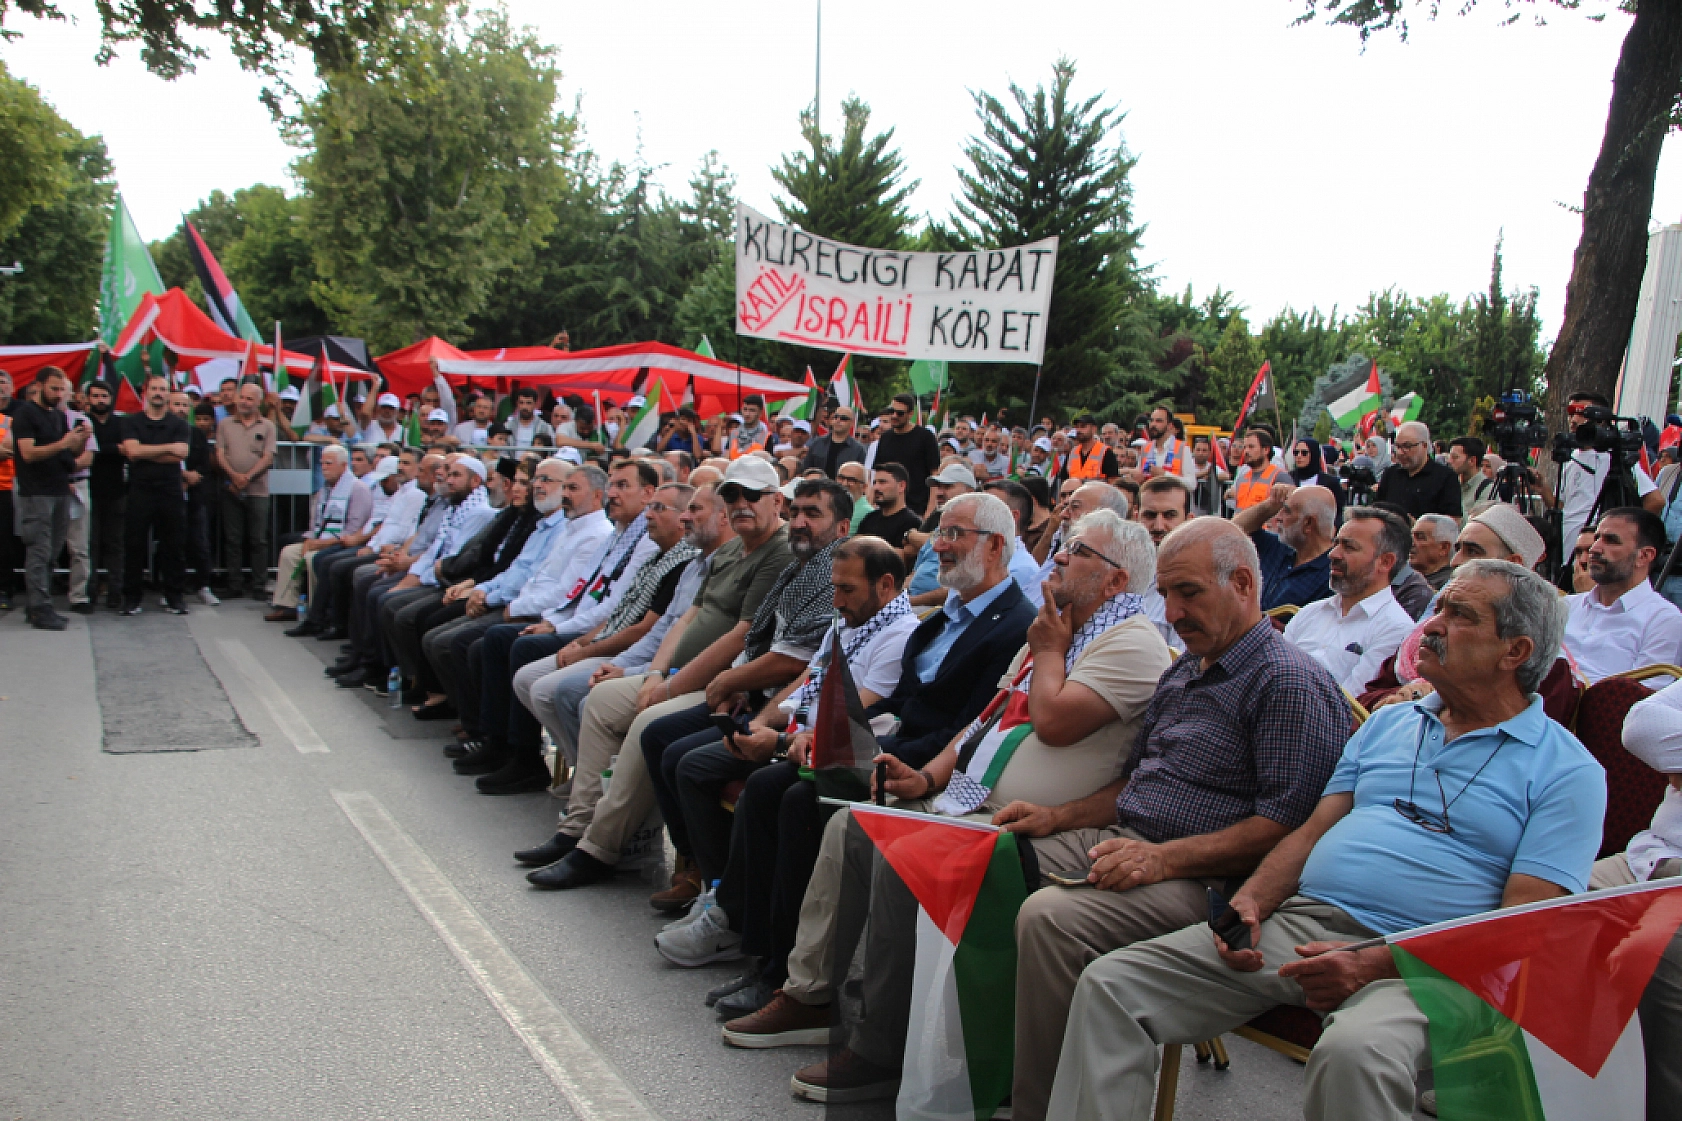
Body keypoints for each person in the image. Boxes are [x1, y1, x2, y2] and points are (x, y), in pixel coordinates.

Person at [1047, 560, 1604, 1121]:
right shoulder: (1392, 724)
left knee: (1356, 1053)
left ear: (1516, 652)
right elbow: (1315, 828)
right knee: (1110, 986)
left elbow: (1519, 929)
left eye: (1459, 615)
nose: (1431, 625)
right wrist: (1253, 901)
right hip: (1306, 922)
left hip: (1431, 962)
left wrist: (1375, 964)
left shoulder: (1567, 771)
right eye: (1438, 607)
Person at [716, 493, 1039, 1048]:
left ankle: (799, 986)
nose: (939, 545)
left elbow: (970, 727)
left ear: (995, 546)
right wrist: (832, 739)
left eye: (955, 534)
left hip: (928, 766)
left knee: (797, 800)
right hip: (895, 746)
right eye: (939, 531)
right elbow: (901, 702)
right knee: (771, 785)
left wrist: (875, 754)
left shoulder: (1015, 626)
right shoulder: (944, 617)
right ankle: (767, 954)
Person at [524, 455, 795, 889]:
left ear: (777, 500)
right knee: (600, 701)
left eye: (751, 495)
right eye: (732, 495)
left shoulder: (776, 553)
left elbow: (741, 636)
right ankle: (579, 827)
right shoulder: (733, 549)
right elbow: (688, 616)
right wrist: (654, 675)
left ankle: (599, 849)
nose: (740, 504)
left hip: (722, 684)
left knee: (649, 722)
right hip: (679, 674)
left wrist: (669, 687)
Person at [629, 479, 856, 925]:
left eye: (814, 513)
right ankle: (698, 866)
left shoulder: (836, 572)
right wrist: (732, 680)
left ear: (844, 525)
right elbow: (756, 636)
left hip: (784, 704)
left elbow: (796, 659)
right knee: (659, 736)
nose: (801, 521)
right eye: (798, 511)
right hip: (753, 694)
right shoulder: (798, 565)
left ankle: (724, 898)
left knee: (686, 760)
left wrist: (728, 680)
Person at [513, 482, 734, 869]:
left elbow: (719, 640)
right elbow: (664, 626)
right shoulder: (697, 563)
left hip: (700, 680)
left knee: (635, 716)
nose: (684, 518)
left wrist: (637, 671)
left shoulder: (735, 564)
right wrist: (628, 667)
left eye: (691, 510)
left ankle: (618, 841)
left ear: (724, 516)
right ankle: (579, 824)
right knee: (582, 693)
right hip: (655, 666)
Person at [457, 459, 658, 793]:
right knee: (498, 640)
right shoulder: (619, 533)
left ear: (647, 493)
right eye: (613, 485)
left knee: (519, 645)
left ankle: (526, 757)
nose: (614, 494)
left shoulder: (639, 539)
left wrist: (564, 632)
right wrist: (553, 622)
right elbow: (582, 589)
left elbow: (612, 609)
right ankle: (504, 744)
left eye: (624, 486)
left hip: (604, 632)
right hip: (581, 621)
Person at [1282, 507, 1415, 695]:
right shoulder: (1311, 612)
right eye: (1336, 544)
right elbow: (1273, 671)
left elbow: (1350, 704)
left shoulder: (1396, 628)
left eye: (1349, 547)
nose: (1333, 554)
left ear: (1385, 562)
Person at [1564, 507, 1682, 680]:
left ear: (1644, 556)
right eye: (1597, 538)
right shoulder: (1566, 606)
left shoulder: (1663, 620)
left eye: (1611, 540)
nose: (1594, 549)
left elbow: (1643, 695)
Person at [12, 367, 89, 629]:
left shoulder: (57, 416)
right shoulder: (25, 414)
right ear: (40, 385)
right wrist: (65, 443)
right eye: (54, 388)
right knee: (39, 550)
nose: (58, 394)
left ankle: (40, 603)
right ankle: (38, 608)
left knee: (53, 552)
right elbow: (28, 454)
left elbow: (66, 455)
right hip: (37, 492)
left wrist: (79, 440)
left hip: (59, 490)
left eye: (61, 389)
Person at [268, 443, 375, 618]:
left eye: (329, 463)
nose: (324, 468)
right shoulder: (323, 489)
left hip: (340, 542)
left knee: (313, 558)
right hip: (320, 538)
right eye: (322, 464)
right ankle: (287, 604)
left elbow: (353, 529)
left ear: (343, 465)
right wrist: (310, 540)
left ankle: (315, 611)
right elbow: (315, 522)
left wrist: (321, 543)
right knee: (289, 553)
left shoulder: (358, 489)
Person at [117, 373, 192, 617]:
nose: (159, 393)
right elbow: (132, 452)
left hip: (170, 489)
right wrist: (167, 448)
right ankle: (131, 598)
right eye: (154, 388)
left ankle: (174, 597)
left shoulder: (179, 425)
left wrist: (145, 451)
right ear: (146, 392)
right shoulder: (131, 422)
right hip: (140, 489)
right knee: (134, 544)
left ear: (169, 393)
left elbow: (180, 454)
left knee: (174, 545)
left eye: (163, 389)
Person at [1550, 392, 1659, 550]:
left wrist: (1628, 533)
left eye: (1581, 413)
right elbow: (1561, 505)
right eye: (1571, 413)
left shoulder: (1613, 457)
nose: (1573, 420)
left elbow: (1655, 500)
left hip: (1597, 551)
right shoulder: (1571, 457)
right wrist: (1540, 487)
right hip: (1569, 551)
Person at [215, 382, 277, 600]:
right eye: (242, 397)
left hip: (257, 490)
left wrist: (247, 477)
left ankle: (259, 584)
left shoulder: (268, 426)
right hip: (231, 488)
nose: (243, 401)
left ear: (258, 402)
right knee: (233, 538)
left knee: (258, 539)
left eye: (249, 399)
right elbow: (220, 453)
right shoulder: (225, 424)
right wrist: (234, 476)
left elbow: (268, 457)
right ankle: (235, 584)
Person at [1233, 481, 1336, 611]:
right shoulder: (1281, 547)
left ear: (1308, 523)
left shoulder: (1332, 573)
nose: (1278, 517)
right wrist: (1271, 504)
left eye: (1287, 511)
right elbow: (1233, 531)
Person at [84, 379, 128, 608]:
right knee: (90, 545)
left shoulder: (121, 423)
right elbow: (86, 449)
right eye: (95, 396)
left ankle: (115, 592)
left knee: (115, 544)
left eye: (104, 396)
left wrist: (101, 448)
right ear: (88, 399)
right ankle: (89, 592)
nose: (100, 400)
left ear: (111, 398)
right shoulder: (83, 422)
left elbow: (127, 450)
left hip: (116, 491)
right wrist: (112, 449)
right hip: (89, 491)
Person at [176, 394, 220, 606]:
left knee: (200, 541)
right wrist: (181, 476)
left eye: (185, 405)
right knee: (172, 542)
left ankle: (204, 585)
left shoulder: (196, 434)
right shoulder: (161, 432)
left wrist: (193, 477)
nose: (181, 409)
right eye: (176, 404)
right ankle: (173, 587)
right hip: (169, 493)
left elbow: (204, 465)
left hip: (195, 495)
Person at [1373, 421, 1462, 520]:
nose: (1400, 452)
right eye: (1397, 446)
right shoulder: (1390, 474)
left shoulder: (1445, 477)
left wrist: (1419, 526)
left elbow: (1453, 521)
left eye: (1407, 446)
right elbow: (1377, 509)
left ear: (1424, 445)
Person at [869, 394, 941, 515]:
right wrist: (871, 503)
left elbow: (934, 476)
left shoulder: (925, 437)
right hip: (887, 507)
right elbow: (877, 474)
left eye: (900, 413)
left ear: (910, 414)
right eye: (892, 411)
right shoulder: (885, 437)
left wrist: (929, 511)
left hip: (917, 507)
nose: (894, 416)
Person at [856, 463, 921, 553]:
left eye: (882, 482)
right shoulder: (869, 518)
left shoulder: (912, 523)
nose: (876, 487)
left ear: (901, 486)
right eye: (874, 483)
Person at [1127, 406, 1195, 485]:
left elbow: (1192, 484)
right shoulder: (1146, 448)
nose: (1153, 424)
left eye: (1159, 421)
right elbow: (1139, 475)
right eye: (1151, 421)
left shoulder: (1182, 448)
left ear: (1169, 426)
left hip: (1172, 496)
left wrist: (1165, 475)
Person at [1229, 427, 1287, 511]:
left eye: (1251, 447)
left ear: (1266, 449)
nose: (1246, 451)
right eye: (1245, 447)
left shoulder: (1279, 477)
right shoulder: (1242, 478)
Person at [1288, 437, 1346, 517]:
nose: (1299, 456)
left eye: (1304, 453)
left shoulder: (1330, 482)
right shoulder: (1288, 478)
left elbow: (1339, 511)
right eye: (1296, 452)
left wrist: (1334, 527)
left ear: (1314, 454)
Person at [1064, 414, 1120, 483]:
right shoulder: (1072, 453)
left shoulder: (1106, 452)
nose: (1078, 430)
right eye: (1077, 427)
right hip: (1074, 493)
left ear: (1094, 429)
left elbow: (1113, 482)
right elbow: (1064, 480)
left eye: (1083, 427)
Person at [1409, 512, 1458, 590]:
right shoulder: (1400, 574)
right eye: (1411, 536)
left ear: (1444, 548)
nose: (1411, 543)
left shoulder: (1451, 586)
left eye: (1420, 537)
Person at [1447, 436, 1493, 514]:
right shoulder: (1450, 483)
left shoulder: (1487, 488)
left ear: (1472, 460)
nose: (1449, 461)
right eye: (1449, 456)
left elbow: (1477, 521)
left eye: (1455, 457)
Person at [835, 460, 872, 531]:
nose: (844, 483)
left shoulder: (867, 513)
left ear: (864, 487)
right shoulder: (831, 505)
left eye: (851, 480)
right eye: (841, 478)